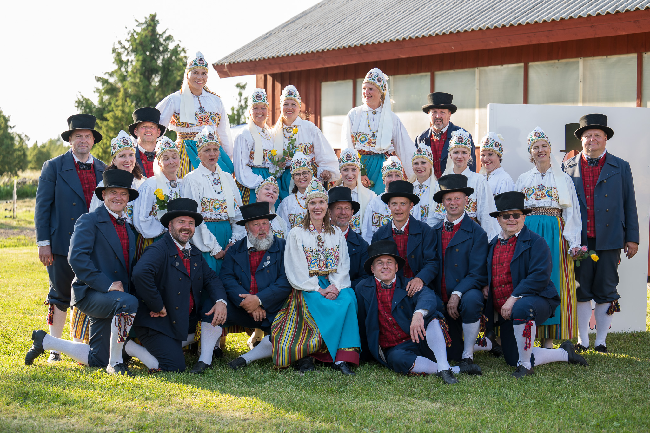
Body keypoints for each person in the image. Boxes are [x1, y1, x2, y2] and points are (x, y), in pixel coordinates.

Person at [26, 170, 140, 376]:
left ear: (128, 198)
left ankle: (45, 340)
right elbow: (77, 258)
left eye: (123, 194)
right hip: (91, 293)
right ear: (103, 195)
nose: (118, 197)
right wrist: (107, 285)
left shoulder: (129, 228)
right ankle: (115, 364)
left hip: (114, 298)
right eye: (113, 192)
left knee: (97, 359)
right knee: (128, 303)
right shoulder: (89, 220)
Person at [485, 192, 588, 377]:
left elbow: (539, 276)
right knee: (512, 358)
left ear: (524, 217)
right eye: (506, 216)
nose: (511, 219)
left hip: (537, 301)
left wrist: (513, 298)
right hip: (508, 312)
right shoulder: (493, 244)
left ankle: (525, 366)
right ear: (498, 219)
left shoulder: (536, 241)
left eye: (516, 215)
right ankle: (564, 353)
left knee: (521, 307)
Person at [562, 114, 639, 353]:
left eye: (597, 135)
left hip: (610, 238)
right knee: (581, 289)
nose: (592, 139)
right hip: (580, 240)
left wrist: (632, 238)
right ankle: (583, 340)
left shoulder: (621, 166)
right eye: (588, 135)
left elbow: (629, 203)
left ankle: (601, 341)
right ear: (581, 139)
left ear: (605, 138)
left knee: (606, 289)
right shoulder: (568, 167)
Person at [34, 114, 106, 361]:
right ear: (70, 140)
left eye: (87, 136)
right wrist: (44, 243)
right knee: (60, 294)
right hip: (61, 244)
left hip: (94, 244)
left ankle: (80, 345)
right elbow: (42, 207)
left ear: (93, 140)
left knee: (89, 293)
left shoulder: (103, 169)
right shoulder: (53, 166)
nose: (83, 140)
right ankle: (54, 348)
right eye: (78, 136)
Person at [129, 198, 228, 373]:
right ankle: (128, 347)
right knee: (174, 367)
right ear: (170, 225)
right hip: (157, 322)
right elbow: (140, 274)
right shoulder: (159, 249)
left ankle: (180, 347)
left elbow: (211, 279)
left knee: (211, 308)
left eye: (191, 223)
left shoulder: (194, 252)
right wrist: (157, 305)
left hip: (182, 320)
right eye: (181, 222)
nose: (186, 227)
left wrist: (221, 301)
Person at [355, 240, 476, 384]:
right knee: (398, 360)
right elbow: (361, 321)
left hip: (420, 339)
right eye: (380, 263)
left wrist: (418, 314)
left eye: (389, 262)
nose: (385, 266)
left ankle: (444, 367)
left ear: (396, 267)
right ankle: (454, 370)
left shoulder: (409, 283)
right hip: (395, 348)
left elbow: (428, 296)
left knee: (433, 318)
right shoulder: (362, 288)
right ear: (372, 268)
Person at [273, 179, 360, 375]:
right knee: (316, 300)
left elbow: (343, 263)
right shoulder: (297, 233)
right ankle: (308, 354)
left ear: (327, 206)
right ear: (307, 206)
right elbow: (296, 267)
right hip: (307, 284)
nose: (317, 207)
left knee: (348, 297)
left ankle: (341, 357)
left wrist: (336, 286)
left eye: (321, 202)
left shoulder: (336, 233)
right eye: (313, 203)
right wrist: (318, 288)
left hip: (332, 281)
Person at [515, 127, 582, 347]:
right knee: (529, 278)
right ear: (530, 152)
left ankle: (549, 338)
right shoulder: (523, 179)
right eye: (536, 147)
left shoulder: (564, 179)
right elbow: (516, 212)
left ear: (550, 149)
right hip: (530, 231)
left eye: (544, 146)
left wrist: (573, 242)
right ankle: (528, 333)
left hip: (555, 231)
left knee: (554, 278)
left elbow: (572, 212)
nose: (540, 150)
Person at [220, 202, 293, 370]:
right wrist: (248, 303)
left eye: (265, 223)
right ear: (246, 227)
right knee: (212, 308)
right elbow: (227, 278)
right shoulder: (235, 250)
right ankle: (206, 357)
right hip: (242, 308)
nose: (262, 229)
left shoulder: (283, 246)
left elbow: (286, 280)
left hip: (274, 309)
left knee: (288, 332)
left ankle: (245, 359)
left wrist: (259, 300)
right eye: (256, 224)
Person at [431, 174, 488, 369]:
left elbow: (477, 272)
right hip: (441, 296)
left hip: (465, 295)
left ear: (466, 200)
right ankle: (481, 345)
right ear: (442, 202)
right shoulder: (434, 231)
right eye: (448, 199)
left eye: (457, 198)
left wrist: (457, 294)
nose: (453, 203)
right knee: (450, 353)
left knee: (472, 300)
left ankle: (468, 354)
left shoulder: (477, 232)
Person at [156, 51, 234, 178]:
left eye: (203, 73)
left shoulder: (215, 101)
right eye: (195, 72)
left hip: (211, 152)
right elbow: (156, 128)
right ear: (187, 74)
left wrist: (228, 155)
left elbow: (223, 131)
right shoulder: (175, 99)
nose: (200, 77)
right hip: (185, 153)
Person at [342, 68, 415, 195]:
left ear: (381, 92)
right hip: (362, 167)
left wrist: (415, 176)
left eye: (371, 89)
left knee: (383, 199)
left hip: (385, 168)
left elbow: (405, 148)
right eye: (364, 88)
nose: (366, 92)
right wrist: (356, 172)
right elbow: (347, 145)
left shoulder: (392, 118)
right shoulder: (354, 115)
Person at [182, 127, 245, 273]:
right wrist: (213, 247)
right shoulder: (192, 179)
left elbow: (238, 213)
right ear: (198, 154)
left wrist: (233, 242)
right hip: (204, 238)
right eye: (207, 150)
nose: (212, 154)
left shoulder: (228, 178)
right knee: (208, 277)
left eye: (215, 149)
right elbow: (193, 217)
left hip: (228, 235)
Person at [371, 180, 439, 296]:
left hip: (419, 289)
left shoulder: (425, 231)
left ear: (411, 205)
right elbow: (376, 267)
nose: (398, 208)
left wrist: (420, 279)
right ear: (388, 206)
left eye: (403, 204)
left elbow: (432, 262)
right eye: (394, 204)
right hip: (390, 291)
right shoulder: (379, 235)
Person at [273, 85, 339, 199]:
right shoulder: (274, 132)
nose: (289, 108)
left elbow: (323, 151)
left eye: (293, 104)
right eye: (286, 104)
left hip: (307, 178)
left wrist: (326, 170)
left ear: (299, 107)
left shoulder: (309, 128)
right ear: (281, 107)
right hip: (284, 181)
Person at [433, 129, 498, 239]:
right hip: (446, 237)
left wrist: (487, 242)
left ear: (469, 155)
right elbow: (434, 217)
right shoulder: (442, 182)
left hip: (471, 237)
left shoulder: (479, 181)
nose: (460, 156)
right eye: (456, 152)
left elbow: (486, 215)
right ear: (450, 155)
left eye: (464, 152)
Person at [132, 136, 183, 250]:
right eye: (166, 158)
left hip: (179, 241)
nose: (171, 162)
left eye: (174, 157)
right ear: (159, 162)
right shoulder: (150, 185)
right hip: (154, 240)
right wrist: (166, 228)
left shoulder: (183, 184)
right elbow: (141, 219)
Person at [233, 89, 282, 205]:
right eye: (255, 108)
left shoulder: (270, 134)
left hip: (270, 182)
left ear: (267, 111)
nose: (259, 111)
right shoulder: (244, 134)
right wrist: (260, 183)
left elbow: (272, 163)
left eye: (263, 108)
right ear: (250, 111)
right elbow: (241, 168)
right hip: (252, 183)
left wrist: (277, 168)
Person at [415, 92, 476, 179]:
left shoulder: (463, 136)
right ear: (429, 114)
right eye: (434, 112)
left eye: (442, 112)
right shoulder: (421, 138)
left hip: (455, 185)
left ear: (449, 114)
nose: (438, 116)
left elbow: (471, 167)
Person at [89, 130, 146, 224]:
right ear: (114, 161)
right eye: (122, 156)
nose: (128, 160)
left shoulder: (143, 184)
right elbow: (94, 217)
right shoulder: (104, 185)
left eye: (131, 155)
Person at [328, 186, 369, 289]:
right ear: (329, 212)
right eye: (338, 208)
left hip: (349, 292)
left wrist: (340, 288)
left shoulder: (362, 245)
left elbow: (365, 277)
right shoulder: (316, 238)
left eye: (347, 208)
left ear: (352, 212)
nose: (343, 212)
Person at [361, 156, 406, 243]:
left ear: (402, 179)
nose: (393, 179)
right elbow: (367, 235)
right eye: (389, 175)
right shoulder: (374, 204)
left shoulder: (409, 204)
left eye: (397, 175)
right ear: (383, 180)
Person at [336, 148, 376, 235]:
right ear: (340, 171)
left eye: (353, 170)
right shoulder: (332, 194)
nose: (350, 175)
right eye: (345, 170)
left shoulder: (370, 196)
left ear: (359, 171)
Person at [277, 152, 313, 230]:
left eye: (305, 173)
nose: (301, 177)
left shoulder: (322, 198)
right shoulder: (287, 203)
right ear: (293, 178)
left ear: (311, 175)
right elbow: (284, 229)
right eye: (297, 174)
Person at [129, 107, 166, 178]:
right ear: (135, 131)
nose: (148, 129)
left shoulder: (168, 156)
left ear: (158, 132)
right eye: (144, 126)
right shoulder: (128, 157)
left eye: (152, 126)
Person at [410, 146, 439, 226]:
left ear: (430, 165)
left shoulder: (438, 189)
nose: (419, 166)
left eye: (423, 162)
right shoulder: (409, 188)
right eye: (416, 163)